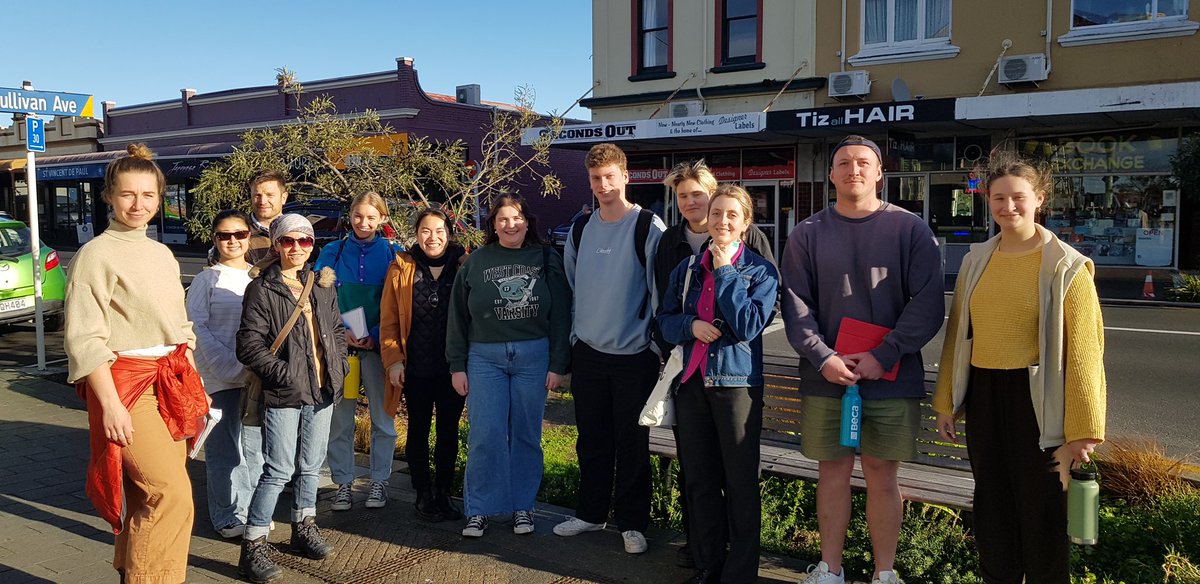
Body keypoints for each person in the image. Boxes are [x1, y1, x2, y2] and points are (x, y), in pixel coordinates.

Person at [933, 152, 1106, 584]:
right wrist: (945, 403)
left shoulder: (1067, 266)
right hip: (985, 396)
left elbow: (1084, 353)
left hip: (1038, 399)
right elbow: (958, 334)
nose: (1008, 207)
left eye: (1018, 198)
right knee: (992, 505)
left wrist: (1083, 429)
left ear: (1039, 199)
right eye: (998, 199)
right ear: (987, 201)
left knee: (1042, 512)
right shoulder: (976, 260)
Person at [780, 136, 944, 584]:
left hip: (891, 378)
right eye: (844, 163)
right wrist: (823, 357)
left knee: (882, 475)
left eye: (863, 163)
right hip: (826, 379)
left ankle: (884, 572)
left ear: (878, 174)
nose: (854, 169)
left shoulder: (910, 229)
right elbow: (796, 306)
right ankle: (829, 568)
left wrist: (883, 354)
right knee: (831, 472)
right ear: (831, 175)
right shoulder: (807, 233)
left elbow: (928, 304)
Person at [65, 143, 209, 584]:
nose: (138, 205)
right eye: (128, 194)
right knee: (170, 495)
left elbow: (178, 324)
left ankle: (136, 575)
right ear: (109, 195)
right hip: (126, 388)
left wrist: (189, 369)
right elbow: (85, 338)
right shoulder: (95, 255)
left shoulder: (162, 253)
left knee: (148, 495)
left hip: (169, 381)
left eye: (148, 196)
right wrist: (109, 404)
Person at [652, 159, 775, 569]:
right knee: (700, 482)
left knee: (740, 485)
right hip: (691, 386)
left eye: (731, 215)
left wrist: (724, 272)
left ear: (745, 224)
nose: (722, 220)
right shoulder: (687, 268)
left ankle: (739, 573)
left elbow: (747, 325)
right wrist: (691, 325)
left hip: (736, 386)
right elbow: (664, 323)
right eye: (717, 212)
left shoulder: (761, 272)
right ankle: (706, 567)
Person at [555, 143, 666, 554]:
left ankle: (633, 523)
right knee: (592, 439)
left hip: (634, 355)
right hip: (588, 353)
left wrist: (653, 345)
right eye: (596, 179)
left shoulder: (648, 226)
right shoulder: (582, 228)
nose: (603, 186)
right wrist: (574, 339)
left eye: (610, 177)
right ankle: (590, 513)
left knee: (631, 443)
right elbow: (571, 285)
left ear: (625, 176)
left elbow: (660, 290)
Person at [446, 194, 572, 538]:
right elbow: (457, 317)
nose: (510, 224)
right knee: (485, 436)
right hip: (484, 358)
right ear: (493, 225)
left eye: (516, 217)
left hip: (534, 357)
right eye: (502, 219)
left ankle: (522, 508)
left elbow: (561, 314)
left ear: (527, 221)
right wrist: (457, 364)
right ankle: (480, 510)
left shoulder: (547, 258)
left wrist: (558, 363)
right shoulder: (476, 262)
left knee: (526, 436)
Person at [236, 214, 347, 583]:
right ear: (276, 244)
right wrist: (284, 374)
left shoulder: (323, 285)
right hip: (284, 391)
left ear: (312, 245)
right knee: (278, 470)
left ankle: (303, 526)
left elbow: (336, 330)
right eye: (288, 241)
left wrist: (340, 369)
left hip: (323, 390)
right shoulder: (263, 289)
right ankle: (253, 543)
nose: (296, 248)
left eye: (304, 241)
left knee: (311, 465)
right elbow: (248, 344)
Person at [315, 192, 405, 512]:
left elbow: (401, 306)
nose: (363, 223)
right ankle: (343, 483)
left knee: (383, 420)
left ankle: (379, 481)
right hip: (343, 350)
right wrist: (343, 331)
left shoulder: (396, 255)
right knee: (341, 420)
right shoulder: (332, 252)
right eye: (357, 215)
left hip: (380, 349)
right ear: (349, 216)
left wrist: (377, 336)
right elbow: (320, 300)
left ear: (382, 218)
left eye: (370, 217)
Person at [380, 206, 469, 521]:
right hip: (415, 366)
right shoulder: (401, 268)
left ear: (449, 234)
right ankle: (423, 492)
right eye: (426, 231)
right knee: (418, 429)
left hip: (452, 367)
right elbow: (389, 321)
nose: (433, 237)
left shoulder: (463, 265)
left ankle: (444, 492)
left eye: (440, 231)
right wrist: (393, 361)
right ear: (417, 234)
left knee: (448, 431)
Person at [186, 209, 266, 539]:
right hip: (219, 378)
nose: (232, 241)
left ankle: (250, 511)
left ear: (249, 237)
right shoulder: (207, 279)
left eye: (239, 234)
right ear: (215, 239)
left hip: (254, 378)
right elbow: (196, 328)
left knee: (254, 451)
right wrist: (230, 366)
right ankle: (225, 515)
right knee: (223, 452)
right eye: (224, 235)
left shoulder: (260, 277)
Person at [207, 170, 290, 266]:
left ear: (284, 197)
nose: (262, 201)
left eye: (270, 195)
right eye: (257, 195)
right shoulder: (237, 235)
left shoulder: (298, 232)